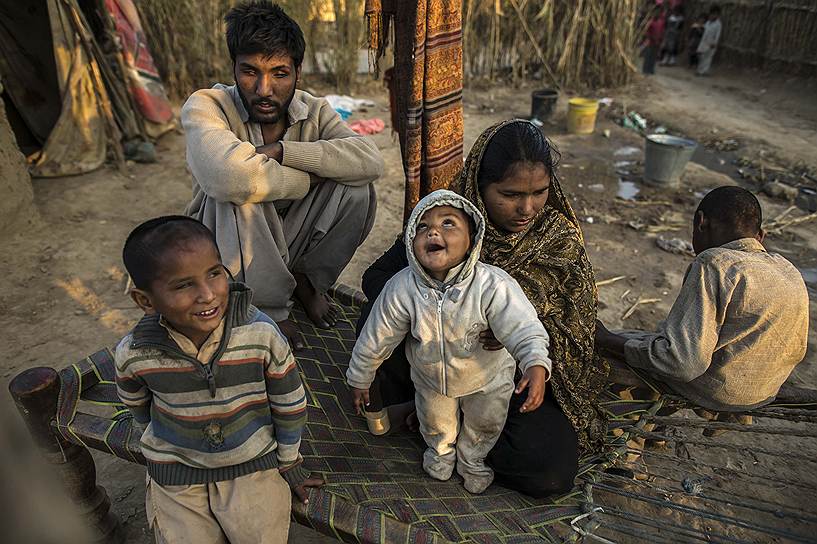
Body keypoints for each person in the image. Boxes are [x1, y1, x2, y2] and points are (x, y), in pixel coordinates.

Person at [355, 120, 609, 498]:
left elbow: (577, 322)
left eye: (539, 192)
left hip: (511, 374)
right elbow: (376, 278)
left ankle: (457, 432)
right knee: (375, 318)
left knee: (548, 471)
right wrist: (433, 307)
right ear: (479, 185)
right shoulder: (448, 220)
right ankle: (438, 418)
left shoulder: (558, 239)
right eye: (509, 194)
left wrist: (512, 334)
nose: (527, 208)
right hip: (435, 361)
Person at [181, 1, 384, 348]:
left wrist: (282, 152)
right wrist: (308, 179)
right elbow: (228, 177)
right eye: (250, 72)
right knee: (242, 191)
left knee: (358, 189)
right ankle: (267, 310)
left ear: (297, 71)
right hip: (227, 243)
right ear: (233, 68)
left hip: (291, 238)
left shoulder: (315, 110)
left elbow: (369, 160)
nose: (263, 89)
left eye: (279, 73)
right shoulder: (207, 105)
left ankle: (306, 281)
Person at [115, 216, 323, 544]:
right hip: (176, 471)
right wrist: (164, 443)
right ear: (145, 301)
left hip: (252, 464)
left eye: (214, 273)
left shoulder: (260, 335)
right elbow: (137, 405)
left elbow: (290, 403)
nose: (208, 295)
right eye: (184, 285)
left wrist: (289, 461)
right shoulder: (136, 352)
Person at [347, 190, 552, 494]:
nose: (433, 231)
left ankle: (473, 461)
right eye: (422, 226)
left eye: (448, 224)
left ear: (472, 240)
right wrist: (360, 377)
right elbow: (377, 336)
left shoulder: (492, 284)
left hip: (487, 379)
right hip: (431, 379)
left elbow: (522, 326)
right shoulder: (402, 287)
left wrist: (535, 363)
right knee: (436, 423)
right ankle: (441, 455)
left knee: (484, 424)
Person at [596, 186, 809, 413]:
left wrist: (607, 340)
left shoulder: (715, 263)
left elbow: (682, 364)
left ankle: (630, 438)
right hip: (765, 389)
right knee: (652, 343)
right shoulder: (788, 268)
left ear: (700, 222)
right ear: (761, 237)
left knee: (623, 347)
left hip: (721, 391)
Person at [696, 6, 722, 76]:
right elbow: (704, 30)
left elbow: (718, 34)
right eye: (713, 14)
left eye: (716, 14)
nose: (714, 16)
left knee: (708, 58)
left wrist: (715, 43)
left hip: (711, 43)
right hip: (704, 42)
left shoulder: (718, 24)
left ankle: (703, 71)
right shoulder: (707, 22)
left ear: (718, 15)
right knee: (701, 57)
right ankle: (699, 70)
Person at [642, 5, 665, 75]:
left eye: (659, 12)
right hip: (650, 41)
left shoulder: (661, 22)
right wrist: (651, 37)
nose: (657, 13)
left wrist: (661, 39)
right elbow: (646, 32)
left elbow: (662, 31)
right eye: (655, 12)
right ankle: (646, 70)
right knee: (648, 55)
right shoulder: (650, 21)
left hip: (657, 41)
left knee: (654, 56)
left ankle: (651, 69)